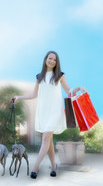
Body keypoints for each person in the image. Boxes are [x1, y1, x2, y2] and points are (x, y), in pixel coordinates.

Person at [12, 51, 86, 179]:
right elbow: (33, 95)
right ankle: (53, 166)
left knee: (46, 136)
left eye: (54, 60)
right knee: (48, 140)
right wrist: (19, 97)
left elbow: (68, 90)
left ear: (57, 63)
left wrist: (78, 87)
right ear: (45, 59)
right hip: (44, 112)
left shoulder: (60, 76)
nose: (52, 61)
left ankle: (35, 168)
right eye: (50, 58)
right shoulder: (39, 77)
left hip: (55, 111)